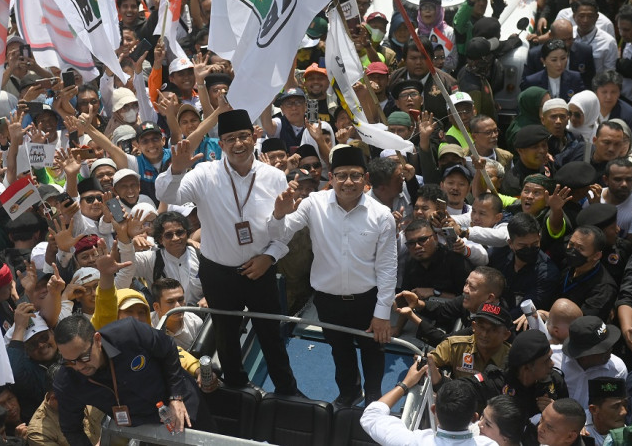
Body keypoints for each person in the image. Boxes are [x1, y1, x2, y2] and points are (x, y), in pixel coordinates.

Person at [155, 109, 301, 395]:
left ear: (254, 137)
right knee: (226, 334)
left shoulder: (273, 177)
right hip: (218, 272)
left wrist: (269, 256)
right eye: (230, 138)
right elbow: (168, 195)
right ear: (220, 144)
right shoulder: (203, 174)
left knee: (270, 334)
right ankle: (235, 386)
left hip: (261, 268)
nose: (238, 144)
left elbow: (283, 232)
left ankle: (286, 389)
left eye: (244, 136)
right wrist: (176, 169)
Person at [270, 145, 397, 406]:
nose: (348, 182)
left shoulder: (381, 215)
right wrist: (279, 213)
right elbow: (280, 233)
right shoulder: (312, 204)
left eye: (355, 175)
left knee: (373, 352)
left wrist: (382, 313)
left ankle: (374, 398)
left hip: (367, 300)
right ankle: (349, 393)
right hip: (327, 300)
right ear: (331, 178)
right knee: (340, 351)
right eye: (341, 175)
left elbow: (387, 267)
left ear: (366, 180)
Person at [53, 315, 212, 444]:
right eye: (69, 361)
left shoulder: (128, 333)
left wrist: (176, 396)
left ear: (97, 340)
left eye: (84, 357)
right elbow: (71, 429)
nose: (79, 366)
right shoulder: (66, 381)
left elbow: (168, 348)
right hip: (143, 428)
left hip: (180, 401)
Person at [360, 371, 498, 446]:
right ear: (474, 417)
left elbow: (371, 416)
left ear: (433, 410)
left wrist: (405, 384)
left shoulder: (412, 442)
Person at [395, 267, 506, 347]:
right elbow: (442, 311)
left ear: (490, 298)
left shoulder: (490, 323)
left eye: (472, 287)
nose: (465, 290)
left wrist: (411, 316)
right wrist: (418, 303)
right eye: (466, 283)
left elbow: (446, 342)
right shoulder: (469, 300)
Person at [489, 212, 561, 317]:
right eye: (522, 245)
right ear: (510, 243)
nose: (529, 249)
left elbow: (526, 311)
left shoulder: (547, 273)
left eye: (535, 244)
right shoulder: (499, 255)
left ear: (539, 238)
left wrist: (493, 315)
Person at [553, 316, 627, 414]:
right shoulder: (551, 358)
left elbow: (615, 411)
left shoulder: (617, 370)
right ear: (584, 355)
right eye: (603, 348)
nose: (610, 349)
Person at [430, 303, 512, 381]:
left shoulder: (513, 357)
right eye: (481, 327)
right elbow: (426, 363)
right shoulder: (455, 346)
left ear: (506, 335)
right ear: (474, 326)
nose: (484, 334)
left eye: (493, 330)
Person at [401, 218, 474, 299]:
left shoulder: (454, 260)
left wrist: (434, 293)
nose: (417, 246)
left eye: (422, 240)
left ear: (435, 238)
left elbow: (469, 299)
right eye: (411, 243)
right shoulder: (410, 261)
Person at [558, 226, 618, 317]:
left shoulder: (604, 288)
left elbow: (583, 322)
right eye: (571, 244)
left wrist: (548, 316)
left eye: (580, 249)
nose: (572, 251)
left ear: (596, 255)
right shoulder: (567, 264)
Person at [523, 19, 597, 89]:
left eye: (570, 39)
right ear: (551, 36)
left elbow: (590, 82)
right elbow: (526, 84)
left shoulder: (585, 51)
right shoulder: (535, 55)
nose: (567, 44)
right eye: (563, 40)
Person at [576, 203, 632, 281]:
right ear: (599, 234)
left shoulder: (623, 248)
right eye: (613, 227)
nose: (618, 229)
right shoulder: (575, 252)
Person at [521, 39, 585, 102]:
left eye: (563, 58)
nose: (559, 64)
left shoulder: (575, 78)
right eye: (554, 60)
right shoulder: (532, 82)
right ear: (543, 61)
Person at [501, 125, 555, 197]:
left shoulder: (548, 165)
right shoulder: (513, 183)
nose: (542, 150)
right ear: (520, 150)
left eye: (544, 145)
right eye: (535, 147)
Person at [150, 277, 203, 349]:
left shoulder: (195, 323)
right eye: (170, 302)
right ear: (156, 307)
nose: (178, 306)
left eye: (180, 299)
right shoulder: (147, 325)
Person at [416, 0, 458, 73]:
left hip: (442, 78)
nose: (427, 11)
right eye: (424, 7)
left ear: (438, 10)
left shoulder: (449, 32)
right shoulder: (416, 32)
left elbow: (454, 63)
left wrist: (437, 58)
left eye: (431, 7)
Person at [505, 87, 551, 155]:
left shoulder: (540, 122)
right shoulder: (520, 132)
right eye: (544, 106)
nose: (549, 109)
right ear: (532, 106)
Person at [585, 377, 628, 445]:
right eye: (616, 406)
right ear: (594, 409)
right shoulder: (577, 431)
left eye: (625, 405)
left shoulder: (629, 437)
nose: (624, 412)